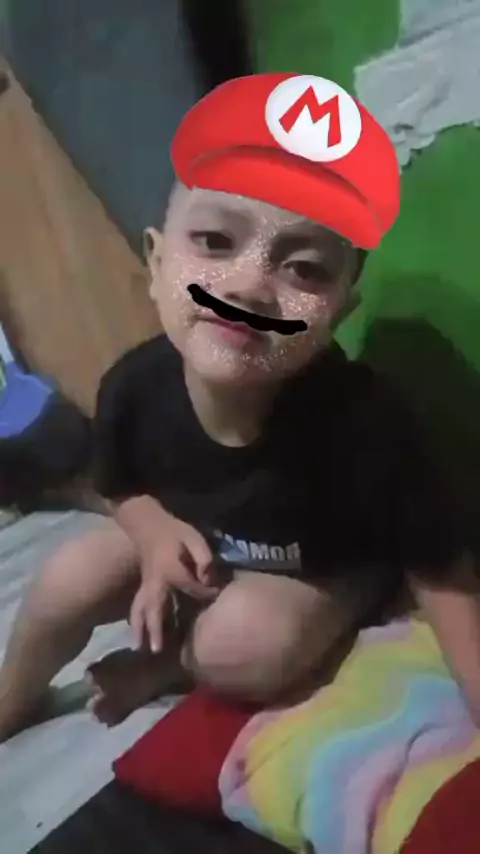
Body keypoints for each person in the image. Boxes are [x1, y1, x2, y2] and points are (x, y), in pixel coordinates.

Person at [0, 73, 478, 742]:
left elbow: (443, 574)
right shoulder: (135, 386)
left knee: (243, 644)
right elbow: (119, 486)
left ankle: (172, 666)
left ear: (340, 310)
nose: (249, 285)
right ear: (156, 262)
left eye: (304, 269)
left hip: (320, 571)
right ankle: (11, 698)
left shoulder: (368, 426)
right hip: (205, 545)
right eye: (215, 242)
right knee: (67, 576)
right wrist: (152, 535)